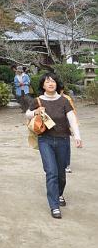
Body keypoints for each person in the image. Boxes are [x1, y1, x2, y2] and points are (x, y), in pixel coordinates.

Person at [26, 72, 82, 219]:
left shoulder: (64, 100)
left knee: (61, 174)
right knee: (51, 172)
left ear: (57, 84)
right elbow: (27, 114)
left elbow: (72, 119)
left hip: (63, 140)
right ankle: (54, 205)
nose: (50, 84)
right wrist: (35, 112)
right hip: (45, 140)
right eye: (47, 82)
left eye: (53, 82)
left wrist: (77, 136)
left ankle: (59, 194)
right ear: (43, 85)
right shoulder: (38, 100)